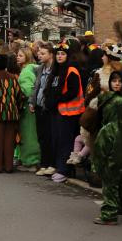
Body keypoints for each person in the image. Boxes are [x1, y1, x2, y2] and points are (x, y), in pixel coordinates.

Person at [91, 69, 122, 225]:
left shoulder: (117, 101)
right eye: (114, 80)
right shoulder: (115, 99)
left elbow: (111, 126)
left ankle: (109, 214)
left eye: (120, 81)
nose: (117, 83)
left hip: (114, 141)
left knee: (111, 180)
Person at [45, 43, 85, 184]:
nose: (59, 56)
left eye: (63, 54)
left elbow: (72, 92)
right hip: (58, 111)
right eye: (58, 54)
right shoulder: (56, 70)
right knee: (56, 141)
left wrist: (57, 100)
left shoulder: (71, 69)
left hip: (69, 113)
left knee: (65, 142)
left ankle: (64, 170)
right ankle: (58, 167)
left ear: (67, 56)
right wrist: (49, 100)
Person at [15, 46, 41, 171]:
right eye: (17, 55)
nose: (17, 57)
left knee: (28, 134)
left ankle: (31, 161)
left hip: (27, 107)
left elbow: (28, 90)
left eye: (20, 55)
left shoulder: (25, 72)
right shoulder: (34, 69)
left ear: (27, 57)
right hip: (34, 106)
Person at [32, 42, 56, 176]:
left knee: (49, 136)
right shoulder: (40, 68)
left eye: (43, 53)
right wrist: (32, 101)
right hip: (39, 106)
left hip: (49, 107)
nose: (39, 55)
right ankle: (44, 163)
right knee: (41, 136)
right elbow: (36, 86)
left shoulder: (55, 69)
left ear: (50, 54)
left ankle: (51, 164)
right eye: (39, 53)